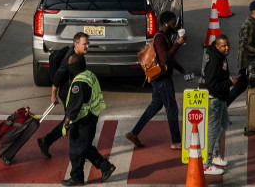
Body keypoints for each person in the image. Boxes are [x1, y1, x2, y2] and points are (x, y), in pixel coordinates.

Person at [126, 11, 186, 149]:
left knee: (156, 105)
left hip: (160, 78)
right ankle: (176, 142)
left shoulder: (164, 36)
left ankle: (134, 133)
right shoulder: (159, 38)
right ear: (166, 22)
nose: (175, 24)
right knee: (172, 109)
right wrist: (177, 44)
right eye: (173, 21)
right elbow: (165, 58)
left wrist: (181, 69)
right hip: (162, 80)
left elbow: (169, 57)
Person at [62, 54, 116, 186]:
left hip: (83, 120)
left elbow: (75, 105)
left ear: (74, 67)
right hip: (92, 116)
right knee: (84, 147)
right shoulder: (89, 74)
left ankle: (103, 167)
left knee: (76, 149)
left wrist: (68, 120)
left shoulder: (79, 82)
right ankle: (79, 177)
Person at [39, 33, 91, 158]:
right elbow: (58, 76)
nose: (87, 46)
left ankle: (47, 141)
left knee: (74, 119)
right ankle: (47, 141)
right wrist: (53, 95)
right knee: (71, 120)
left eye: (88, 44)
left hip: (75, 91)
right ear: (76, 44)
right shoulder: (68, 60)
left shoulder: (79, 55)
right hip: (68, 93)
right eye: (85, 44)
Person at [202, 35, 237, 176]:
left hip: (220, 97)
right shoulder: (215, 60)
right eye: (223, 46)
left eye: (228, 45)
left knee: (224, 124)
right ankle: (207, 164)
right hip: (213, 99)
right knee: (213, 131)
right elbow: (211, 84)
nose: (227, 48)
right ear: (217, 46)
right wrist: (229, 83)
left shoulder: (220, 55)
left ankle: (215, 155)